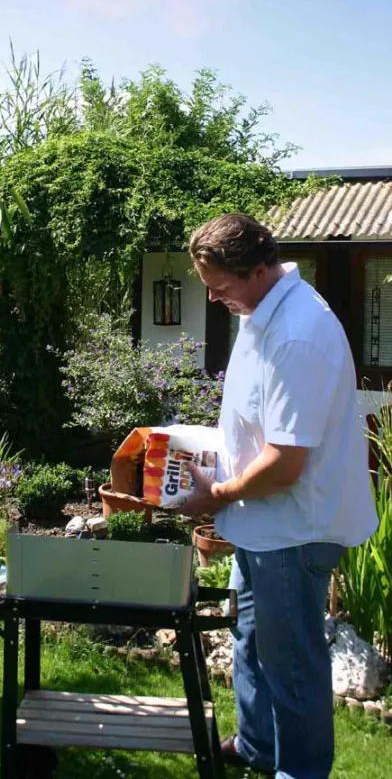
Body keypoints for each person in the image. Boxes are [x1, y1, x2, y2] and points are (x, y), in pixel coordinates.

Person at [179, 214, 377, 779]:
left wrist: (217, 494)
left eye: (220, 286)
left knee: (291, 665)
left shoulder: (297, 334)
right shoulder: (261, 310)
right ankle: (258, 747)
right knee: (249, 640)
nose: (214, 299)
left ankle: (300, 771)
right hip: (262, 523)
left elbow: (286, 464)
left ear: (259, 270)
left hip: (293, 530)